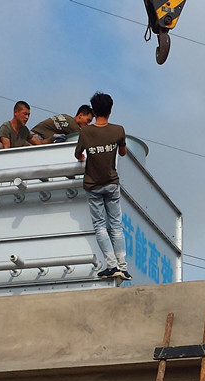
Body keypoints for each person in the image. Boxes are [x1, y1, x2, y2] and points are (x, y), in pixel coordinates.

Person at [74, 92, 132, 281]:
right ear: (110, 110)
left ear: (93, 110)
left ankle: (111, 265)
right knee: (116, 226)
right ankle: (123, 267)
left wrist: (84, 157)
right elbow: (122, 153)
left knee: (100, 226)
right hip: (112, 183)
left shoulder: (85, 132)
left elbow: (78, 154)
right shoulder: (118, 130)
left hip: (92, 184)